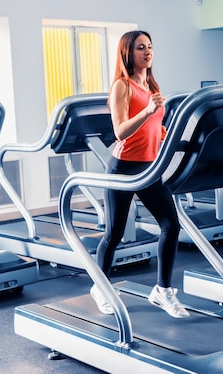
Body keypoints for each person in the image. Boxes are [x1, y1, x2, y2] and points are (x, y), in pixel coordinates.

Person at [90, 30, 189, 318]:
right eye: (139, 48)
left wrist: (169, 135)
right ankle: (100, 287)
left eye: (149, 47)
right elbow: (120, 131)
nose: (147, 52)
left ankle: (162, 291)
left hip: (149, 167)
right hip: (122, 168)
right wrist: (147, 112)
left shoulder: (152, 86)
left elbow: (155, 129)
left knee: (171, 225)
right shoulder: (122, 86)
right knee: (115, 233)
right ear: (127, 54)